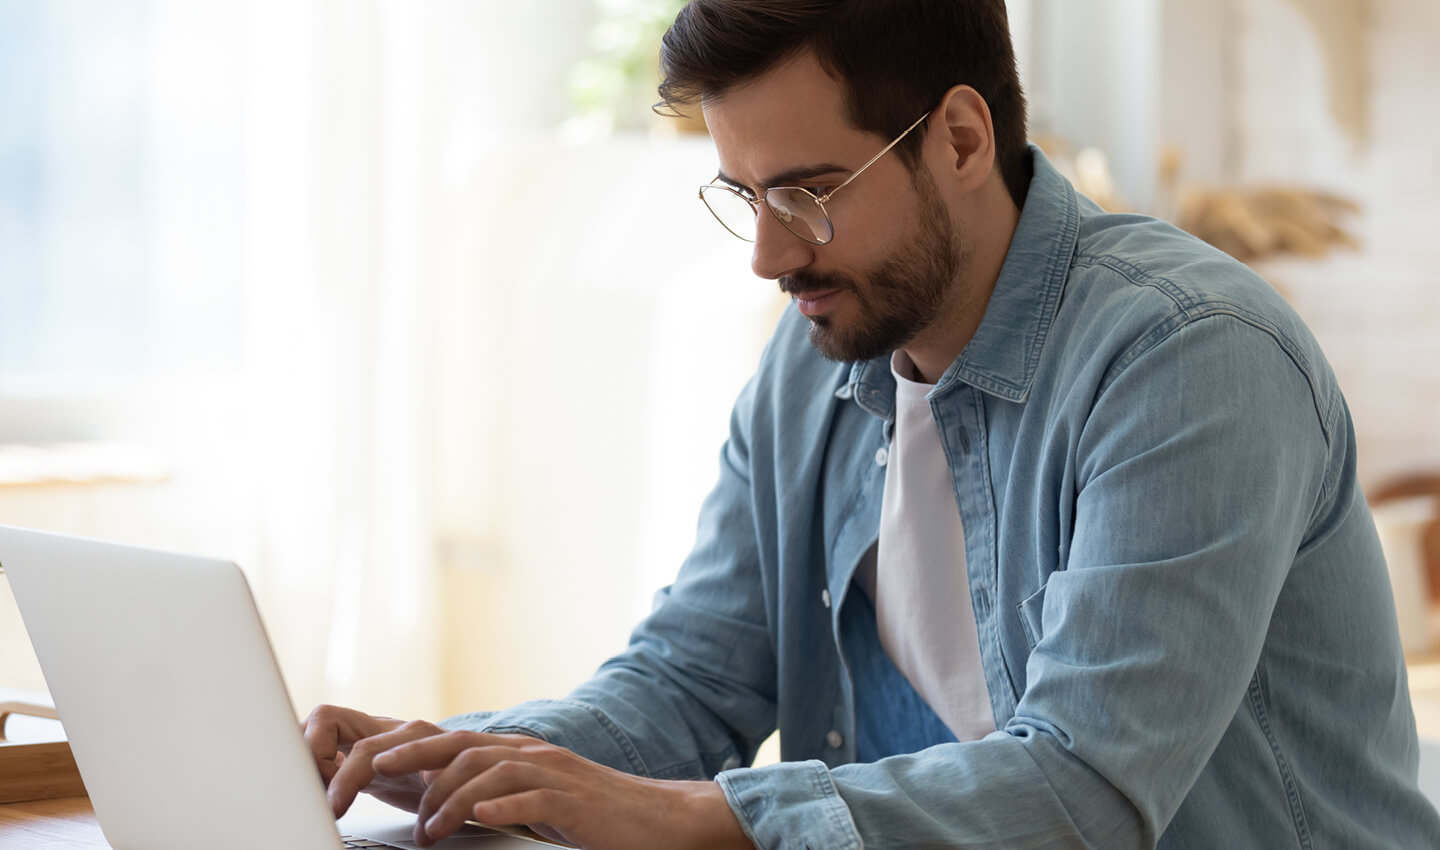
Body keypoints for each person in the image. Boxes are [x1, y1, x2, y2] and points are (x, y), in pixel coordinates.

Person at [305, 1, 1440, 847]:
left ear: (958, 138)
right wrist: (467, 759)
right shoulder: (811, 369)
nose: (767, 255)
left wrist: (696, 817)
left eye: (806, 194)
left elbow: (1087, 787)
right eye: (745, 198)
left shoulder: (1190, 358)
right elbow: (690, 682)